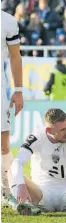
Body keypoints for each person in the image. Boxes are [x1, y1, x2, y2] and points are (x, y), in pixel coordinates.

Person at [10, 108, 66, 215]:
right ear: (49, 130)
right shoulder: (37, 136)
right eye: (62, 130)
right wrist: (20, 186)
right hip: (41, 196)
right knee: (11, 169)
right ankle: (24, 203)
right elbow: (17, 162)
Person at [1, 10, 24, 208]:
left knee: (3, 144)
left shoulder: (7, 21)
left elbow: (15, 56)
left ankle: (5, 191)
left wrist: (18, 90)